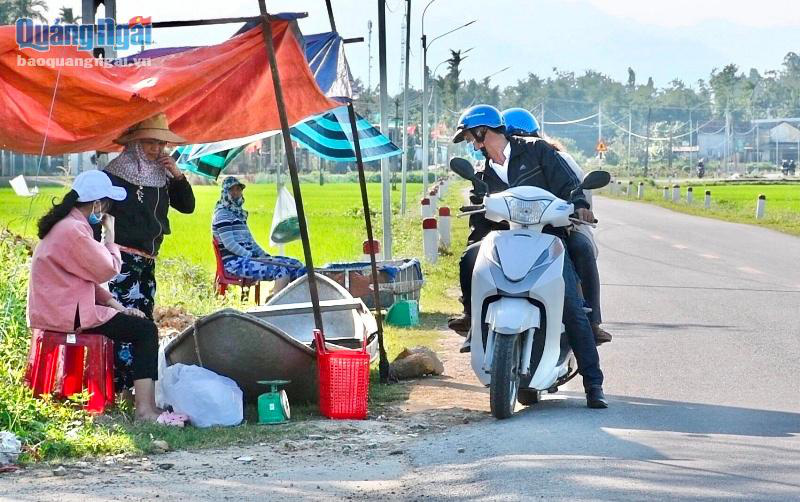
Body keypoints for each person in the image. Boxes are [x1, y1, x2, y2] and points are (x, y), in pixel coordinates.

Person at [449, 104, 607, 408]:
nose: (470, 142)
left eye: (470, 135)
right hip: (505, 239)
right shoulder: (482, 172)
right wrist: (479, 225)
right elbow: (479, 214)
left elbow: (570, 186)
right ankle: (473, 321)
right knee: (470, 257)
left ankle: (594, 384)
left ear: (483, 131)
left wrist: (578, 204)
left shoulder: (537, 151)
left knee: (571, 307)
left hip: (549, 237)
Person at [27, 170, 175, 422]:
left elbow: (84, 281)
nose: (107, 211)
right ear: (96, 203)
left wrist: (117, 307)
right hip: (68, 315)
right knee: (145, 331)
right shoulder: (74, 231)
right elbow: (108, 269)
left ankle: (139, 404)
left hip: (60, 309)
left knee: (136, 325)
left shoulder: (67, 226)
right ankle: (145, 410)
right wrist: (111, 237)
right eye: (106, 204)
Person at [501, 107, 611, 345]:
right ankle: (474, 314)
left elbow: (579, 191)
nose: (517, 143)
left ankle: (592, 320)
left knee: (581, 248)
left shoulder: (557, 157)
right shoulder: (497, 162)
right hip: (514, 228)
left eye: (520, 137)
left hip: (562, 227)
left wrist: (576, 209)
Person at [101, 113, 196, 392]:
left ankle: (137, 387)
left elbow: (187, 206)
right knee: (123, 320)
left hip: (147, 260)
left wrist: (177, 176)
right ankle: (118, 384)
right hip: (121, 258)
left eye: (160, 143)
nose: (157, 149)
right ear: (134, 142)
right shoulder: (115, 172)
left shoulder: (163, 175)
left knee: (144, 319)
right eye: (150, 143)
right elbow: (100, 212)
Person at [212, 176, 306, 293]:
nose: (236, 193)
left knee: (296, 265)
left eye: (238, 189)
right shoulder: (222, 214)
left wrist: (265, 256)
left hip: (247, 258)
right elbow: (230, 244)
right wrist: (251, 255)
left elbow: (250, 242)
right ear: (225, 192)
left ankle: (283, 299)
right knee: (282, 270)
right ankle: (272, 307)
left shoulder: (238, 214)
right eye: (232, 190)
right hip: (235, 262)